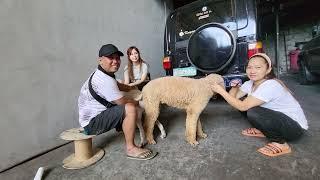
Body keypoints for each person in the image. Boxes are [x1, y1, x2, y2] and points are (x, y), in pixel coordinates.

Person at [211, 53, 308, 157]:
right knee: (243, 103)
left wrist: (221, 91)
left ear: (268, 70)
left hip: (294, 129)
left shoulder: (270, 85)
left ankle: (281, 144)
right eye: (249, 67)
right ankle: (263, 130)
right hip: (280, 121)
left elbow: (242, 106)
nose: (252, 71)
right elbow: (233, 100)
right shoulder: (250, 83)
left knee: (252, 110)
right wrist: (235, 87)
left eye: (258, 67)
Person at [78, 44, 157, 160]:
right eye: (111, 58)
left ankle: (123, 127)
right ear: (100, 60)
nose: (115, 61)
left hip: (90, 118)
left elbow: (119, 85)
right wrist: (137, 101)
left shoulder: (104, 74)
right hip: (91, 124)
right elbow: (122, 102)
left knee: (127, 105)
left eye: (117, 58)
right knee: (130, 107)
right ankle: (131, 148)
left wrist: (131, 87)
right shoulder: (104, 80)